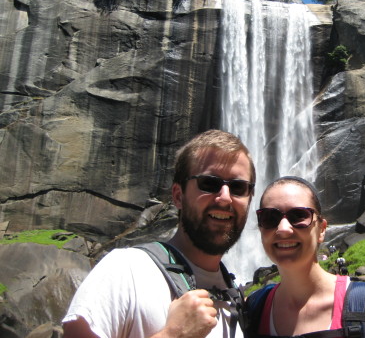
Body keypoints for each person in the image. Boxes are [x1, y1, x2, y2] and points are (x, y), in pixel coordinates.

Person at [62, 129, 256, 338]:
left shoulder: (238, 304)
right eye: (209, 183)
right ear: (178, 196)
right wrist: (173, 334)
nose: (225, 198)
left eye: (238, 187)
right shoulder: (125, 270)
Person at [248, 176, 365, 338]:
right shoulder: (253, 310)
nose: (283, 229)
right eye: (269, 218)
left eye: (298, 215)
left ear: (322, 229)